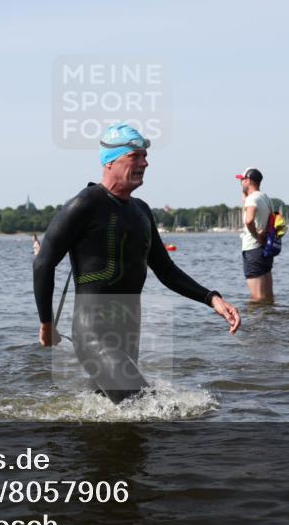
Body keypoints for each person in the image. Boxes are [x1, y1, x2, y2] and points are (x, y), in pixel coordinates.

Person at [33, 123, 241, 404]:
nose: (145, 162)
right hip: (94, 333)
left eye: (144, 156)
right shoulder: (84, 204)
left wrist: (212, 298)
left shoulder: (140, 211)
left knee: (115, 421)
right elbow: (43, 264)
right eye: (135, 156)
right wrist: (46, 324)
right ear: (110, 161)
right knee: (143, 404)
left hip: (129, 330)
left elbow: (165, 269)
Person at [238, 167, 275, 302]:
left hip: (253, 249)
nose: (241, 183)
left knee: (257, 297)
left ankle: (256, 322)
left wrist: (256, 236)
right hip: (265, 249)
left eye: (242, 180)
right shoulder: (265, 198)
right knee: (268, 296)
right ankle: (269, 320)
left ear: (248, 181)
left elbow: (249, 220)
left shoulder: (252, 199)